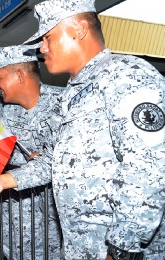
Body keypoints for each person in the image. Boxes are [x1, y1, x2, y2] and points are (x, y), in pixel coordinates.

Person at [22, 0, 165, 259]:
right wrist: (4, 181)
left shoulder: (127, 76)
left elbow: (148, 169)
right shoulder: (73, 92)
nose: (42, 49)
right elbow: (54, 159)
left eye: (47, 38)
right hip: (84, 247)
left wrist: (122, 247)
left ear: (79, 30)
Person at [0, 45, 63, 259]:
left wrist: (45, 160)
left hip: (48, 218)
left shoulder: (62, 104)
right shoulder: (10, 110)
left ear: (19, 75)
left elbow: (60, 162)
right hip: (14, 214)